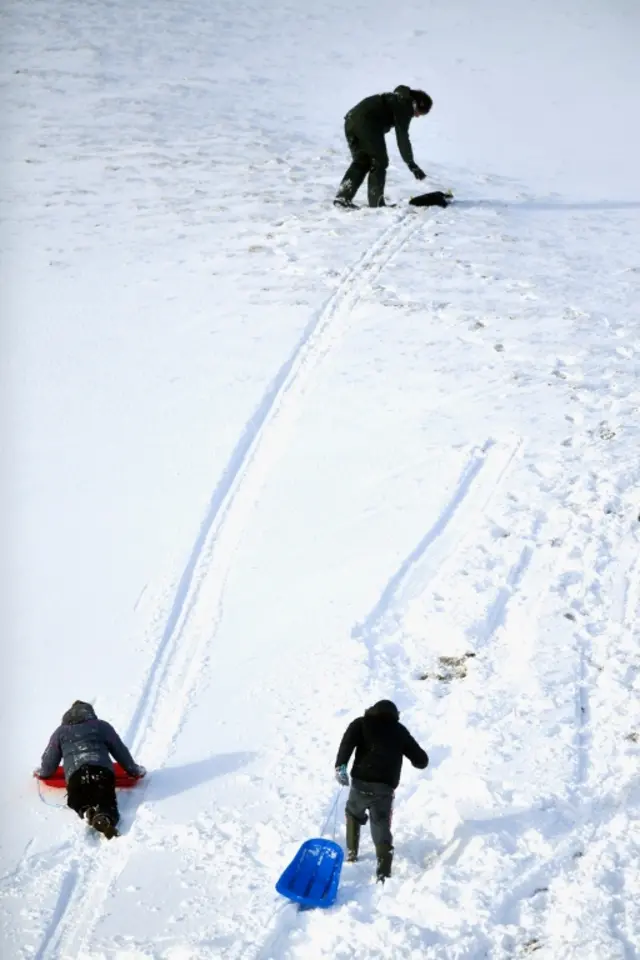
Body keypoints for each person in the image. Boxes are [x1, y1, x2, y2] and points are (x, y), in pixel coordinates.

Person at [334, 699, 428, 881]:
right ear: (395, 716)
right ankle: (383, 871)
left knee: (353, 813)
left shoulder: (361, 723)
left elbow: (347, 744)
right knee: (381, 824)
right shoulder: (399, 731)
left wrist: (340, 766)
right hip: (384, 789)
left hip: (361, 783)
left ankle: (352, 854)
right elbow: (421, 761)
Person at [34, 700, 145, 839]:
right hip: (101, 771)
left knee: (75, 798)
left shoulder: (60, 732)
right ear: (90, 713)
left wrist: (44, 773)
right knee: (106, 798)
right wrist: (134, 770)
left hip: (75, 775)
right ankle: (104, 815)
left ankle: (86, 810)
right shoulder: (102, 726)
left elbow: (50, 759)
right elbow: (120, 750)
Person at [334, 85, 432, 209]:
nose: (417, 116)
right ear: (416, 104)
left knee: (362, 161)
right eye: (420, 112)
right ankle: (376, 203)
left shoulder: (396, 99)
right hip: (367, 123)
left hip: (351, 121)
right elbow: (402, 137)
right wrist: (411, 163)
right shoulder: (404, 104)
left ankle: (343, 198)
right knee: (379, 161)